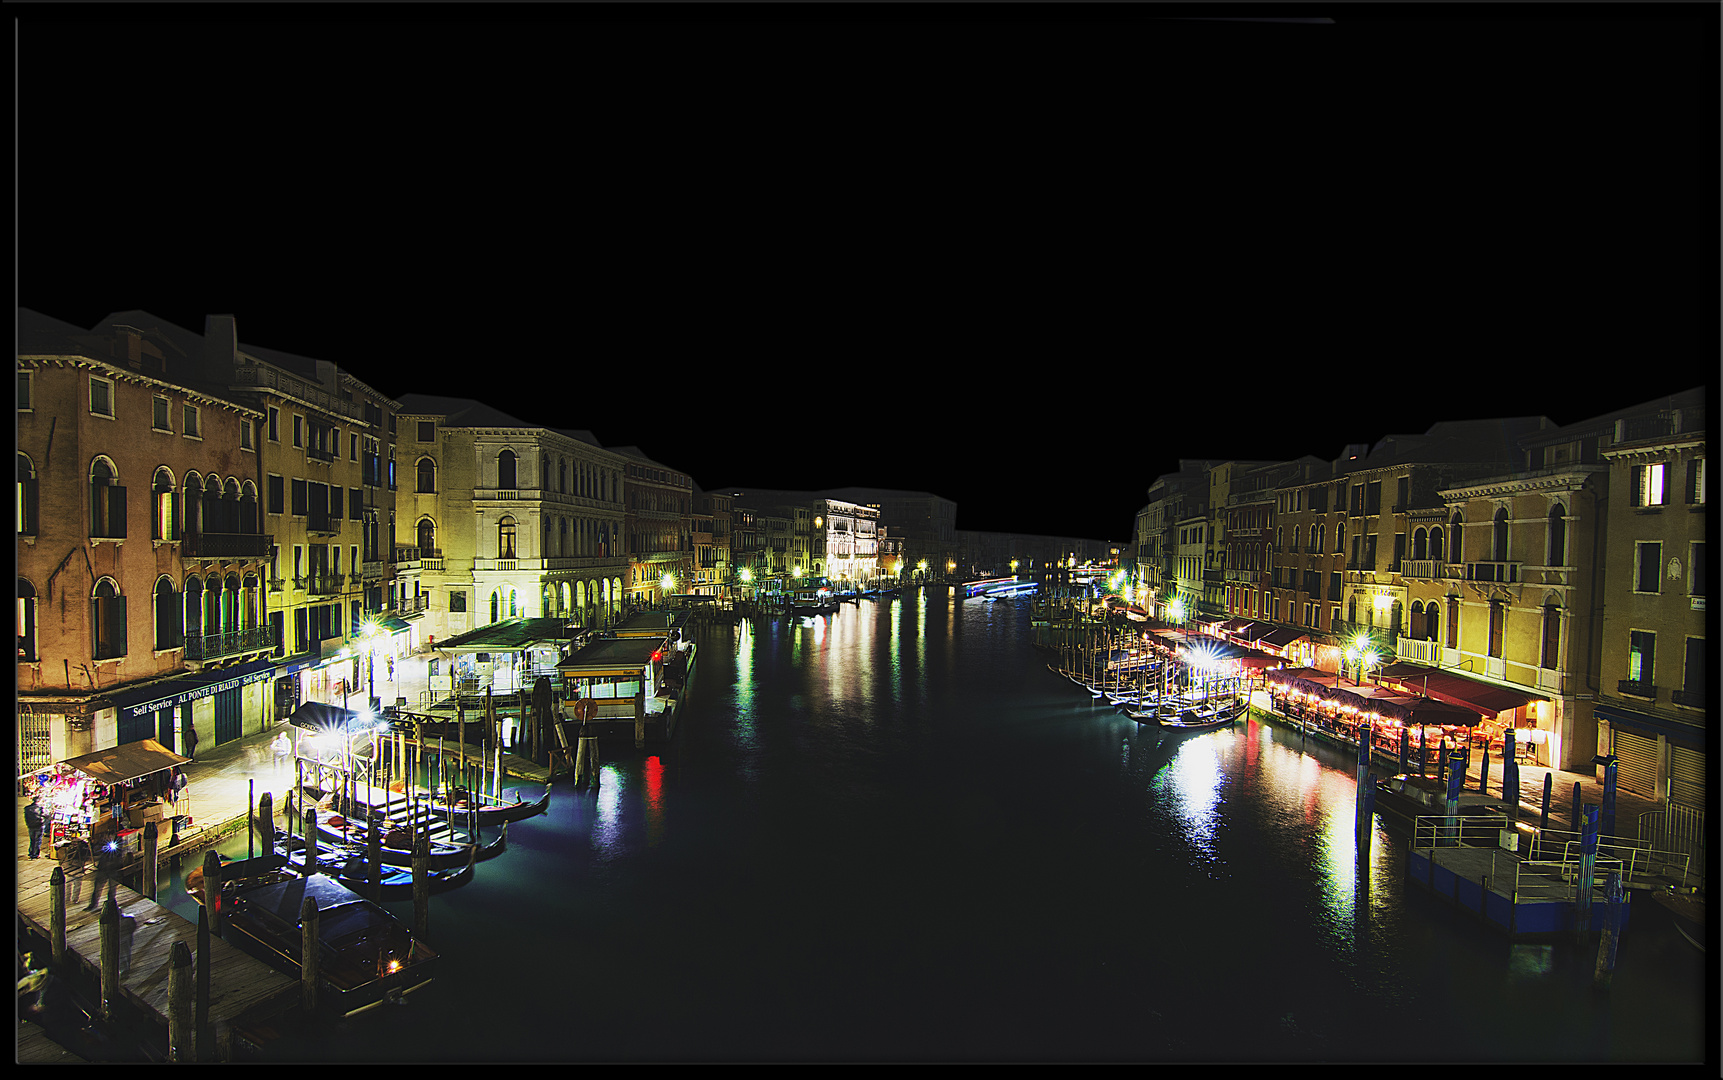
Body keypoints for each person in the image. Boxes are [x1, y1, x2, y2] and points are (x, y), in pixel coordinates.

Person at [24, 793, 45, 858]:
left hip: (30, 825)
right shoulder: (40, 808)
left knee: (32, 839)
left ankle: (31, 853)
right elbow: (45, 815)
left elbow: (26, 817)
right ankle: (35, 854)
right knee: (38, 840)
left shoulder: (27, 808)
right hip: (38, 825)